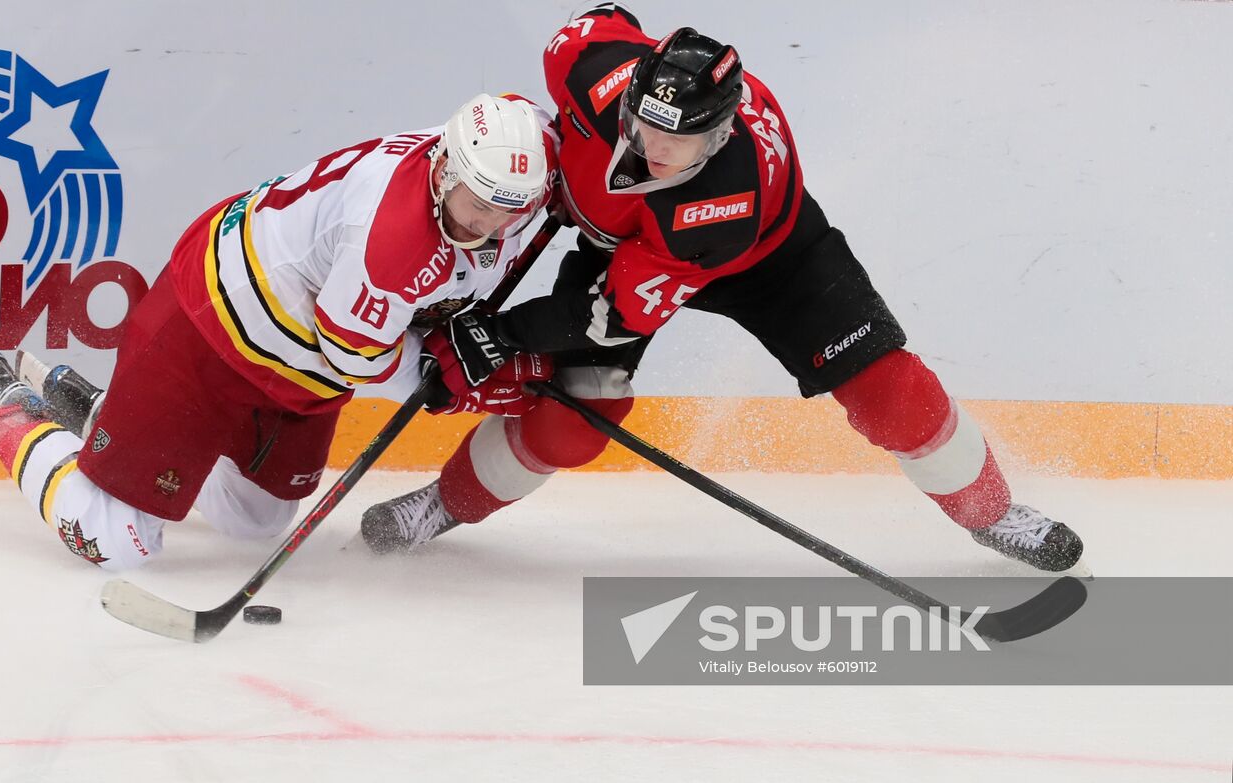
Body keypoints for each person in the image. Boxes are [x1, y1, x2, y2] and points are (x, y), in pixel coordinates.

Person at [359, 4, 1085, 573]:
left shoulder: (715, 208)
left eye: (677, 144)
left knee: (894, 395)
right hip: (625, 240)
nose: (650, 148)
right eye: (643, 124)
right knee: (579, 416)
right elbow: (605, 21)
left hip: (770, 262)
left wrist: (507, 334)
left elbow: (602, 316)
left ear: (719, 137)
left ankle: (993, 513)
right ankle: (443, 504)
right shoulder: (593, 68)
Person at [0, 93, 556, 570]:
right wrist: (452, 379)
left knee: (252, 517)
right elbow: (357, 357)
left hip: (295, 360)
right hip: (213, 326)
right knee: (113, 538)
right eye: (478, 201)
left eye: (510, 209)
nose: (489, 224)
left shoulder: (507, 169)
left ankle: (82, 406)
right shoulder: (392, 243)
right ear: (444, 167)